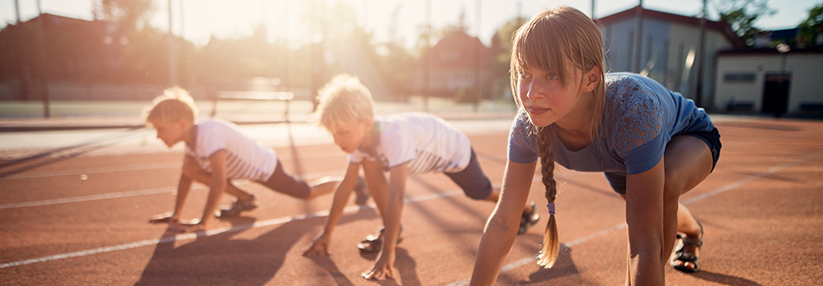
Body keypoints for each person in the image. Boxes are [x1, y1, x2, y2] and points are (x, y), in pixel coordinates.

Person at [470, 6, 721, 285]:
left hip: (689, 136)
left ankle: (692, 234)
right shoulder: (527, 126)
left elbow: (644, 243)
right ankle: (692, 230)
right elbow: (505, 221)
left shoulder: (632, 113)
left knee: (660, 196)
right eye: (524, 73)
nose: (531, 93)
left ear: (591, 78)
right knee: (651, 207)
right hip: (619, 154)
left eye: (551, 75)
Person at [301, 74, 541, 280]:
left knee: (480, 193)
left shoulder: (393, 136)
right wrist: (327, 233)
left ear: (366, 124)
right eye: (333, 134)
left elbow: (397, 196)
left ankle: (524, 208)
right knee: (369, 164)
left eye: (342, 132)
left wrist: (387, 251)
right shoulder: (360, 144)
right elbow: (346, 185)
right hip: (427, 151)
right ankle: (392, 229)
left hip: (454, 153)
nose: (337, 141)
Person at [144, 87, 368, 233]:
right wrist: (177, 214)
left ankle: (355, 182)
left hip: (264, 167)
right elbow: (186, 176)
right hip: (242, 170)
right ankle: (245, 199)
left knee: (305, 192)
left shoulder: (208, 135)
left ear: (182, 124)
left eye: (161, 129)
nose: (158, 135)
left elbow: (219, 181)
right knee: (188, 168)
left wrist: (204, 222)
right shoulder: (192, 141)